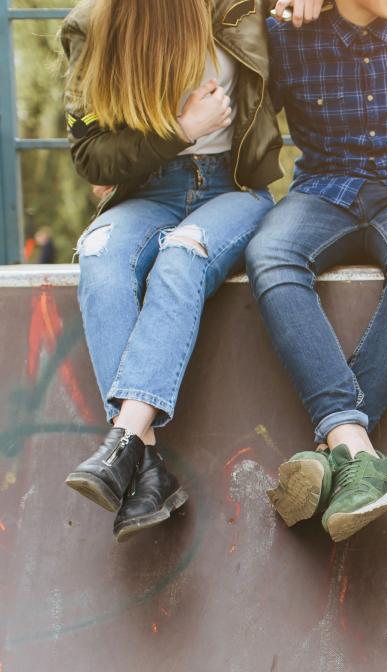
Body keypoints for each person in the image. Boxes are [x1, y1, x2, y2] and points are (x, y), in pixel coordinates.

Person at [60, 0, 280, 541]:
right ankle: (148, 469)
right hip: (148, 189)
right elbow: (90, 156)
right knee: (99, 254)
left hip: (233, 187)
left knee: (182, 255)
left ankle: (123, 441)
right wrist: (181, 131)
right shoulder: (93, 22)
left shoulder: (239, 6)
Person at [246, 0, 387, 542]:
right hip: (323, 189)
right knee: (269, 254)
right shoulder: (285, 33)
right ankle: (357, 451)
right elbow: (224, 42)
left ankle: (336, 450)